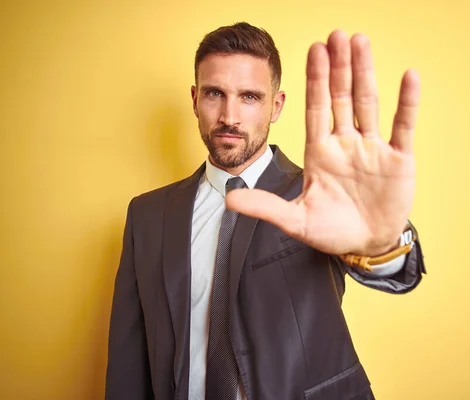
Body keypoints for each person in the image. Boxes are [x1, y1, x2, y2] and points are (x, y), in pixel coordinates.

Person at [105, 21, 426, 400]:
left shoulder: (319, 197)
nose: (229, 116)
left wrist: (381, 245)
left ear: (276, 106)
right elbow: (129, 357)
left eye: (250, 97)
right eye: (214, 94)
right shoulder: (147, 216)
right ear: (194, 99)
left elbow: (400, 273)